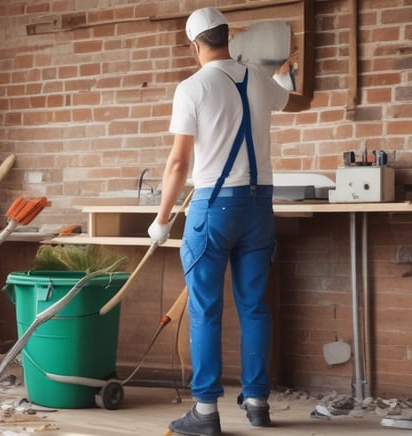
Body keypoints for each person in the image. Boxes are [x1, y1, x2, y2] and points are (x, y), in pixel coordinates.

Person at [147, 7, 309, 436]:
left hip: (213, 209)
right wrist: (283, 77)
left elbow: (179, 162)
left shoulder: (192, 87)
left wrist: (162, 219)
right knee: (255, 308)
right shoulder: (257, 79)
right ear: (228, 37)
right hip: (259, 208)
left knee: (205, 310)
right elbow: (294, 101)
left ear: (194, 44)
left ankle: (204, 413)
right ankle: (257, 403)